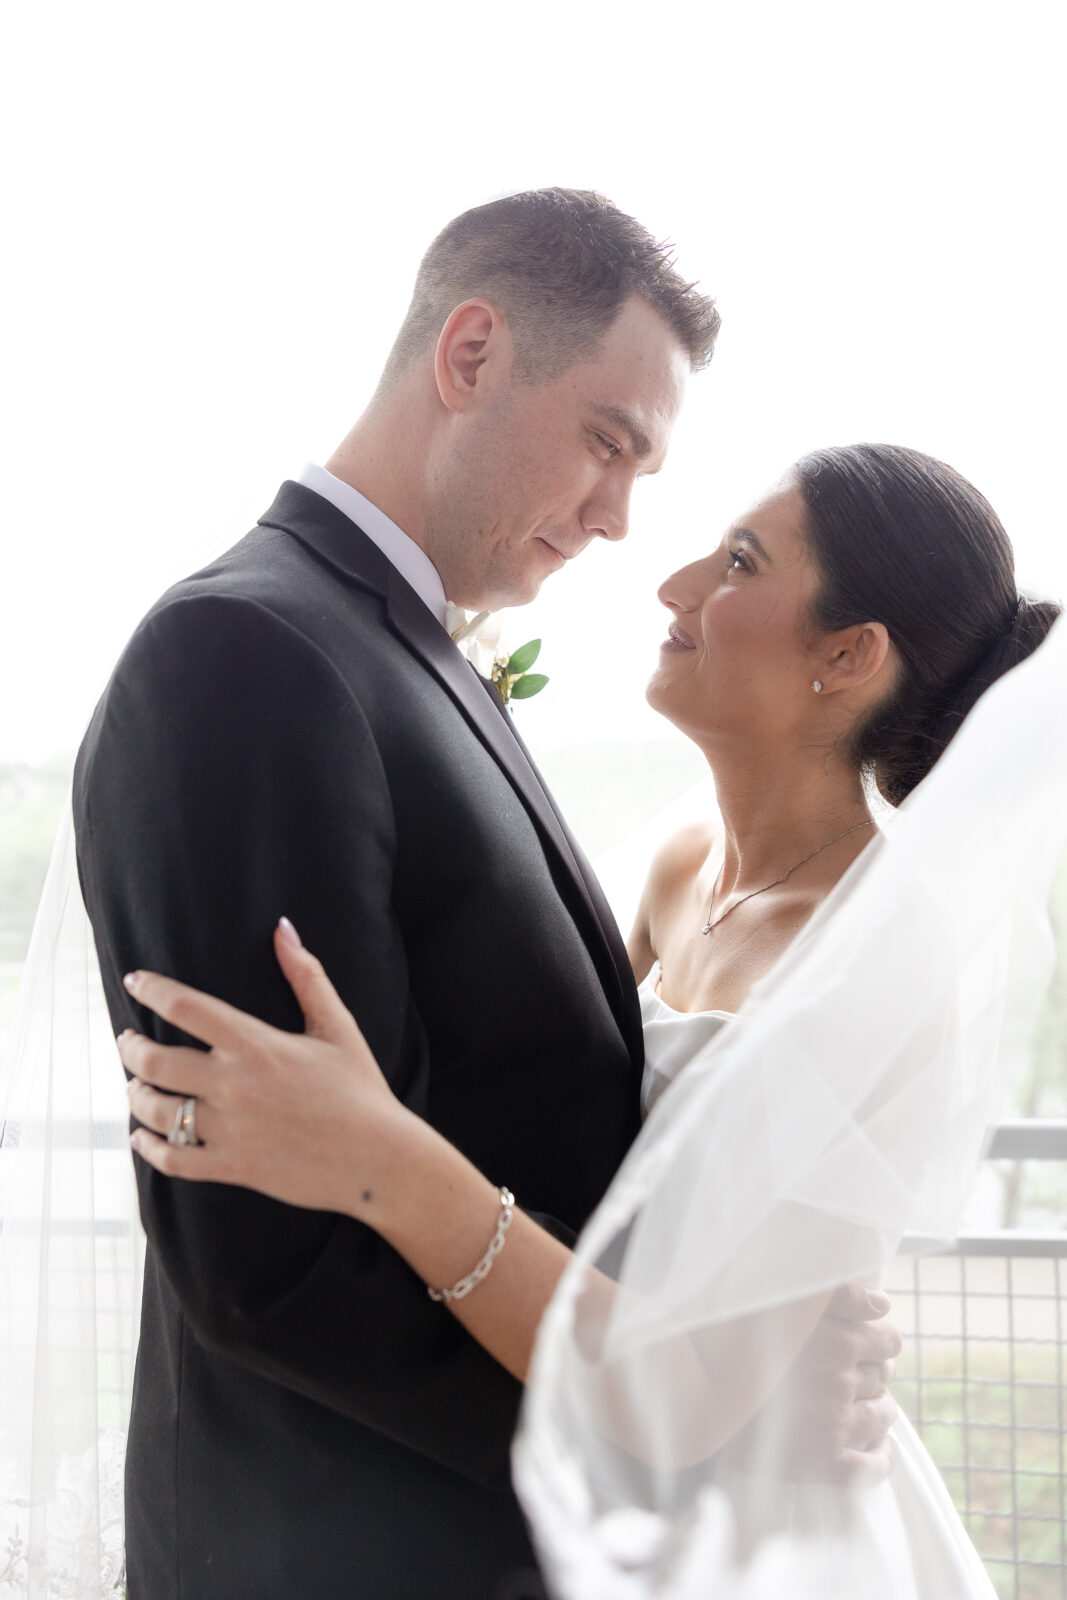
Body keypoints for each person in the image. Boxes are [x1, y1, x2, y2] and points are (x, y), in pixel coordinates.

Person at [66, 188, 892, 1600]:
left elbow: (534, 1116)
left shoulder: (416, 653)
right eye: (605, 443)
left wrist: (723, 1344)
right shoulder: (247, 653)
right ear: (467, 357)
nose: (621, 519)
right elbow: (268, 1263)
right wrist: (673, 1435)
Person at [118, 443, 1066, 1598]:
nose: (673, 584)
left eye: (737, 562)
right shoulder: (677, 864)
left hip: (756, 1528)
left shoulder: (884, 955)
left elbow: (684, 1390)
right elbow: (538, 1100)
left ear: (847, 655)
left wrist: (375, 1153)